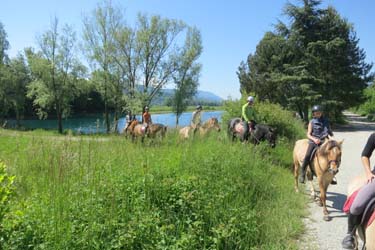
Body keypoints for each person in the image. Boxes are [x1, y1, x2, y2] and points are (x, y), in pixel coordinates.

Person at [341, 133, 375, 249]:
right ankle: (350, 234)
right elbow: (365, 155)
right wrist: (369, 173)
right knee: (357, 205)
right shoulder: (374, 136)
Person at [299, 105, 334, 183]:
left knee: (333, 155)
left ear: (321, 113)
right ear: (313, 114)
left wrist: (331, 137)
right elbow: (308, 134)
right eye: (316, 113)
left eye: (319, 113)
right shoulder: (311, 122)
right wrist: (314, 139)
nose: (318, 114)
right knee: (307, 156)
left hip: (324, 141)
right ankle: (302, 174)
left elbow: (329, 131)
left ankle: (331, 175)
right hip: (314, 141)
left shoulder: (326, 121)